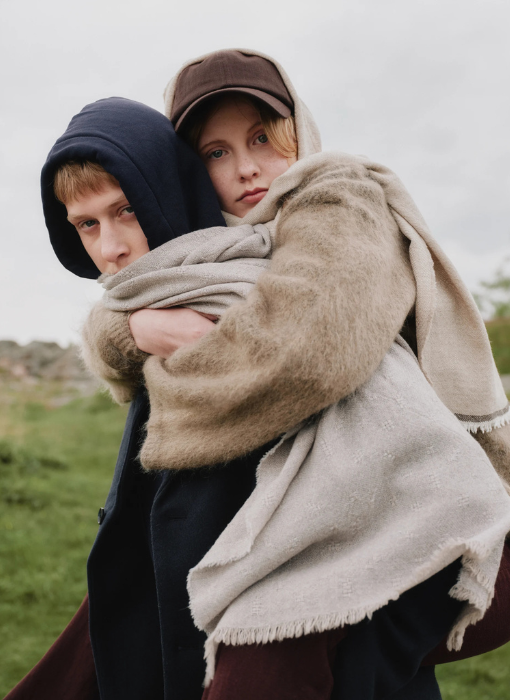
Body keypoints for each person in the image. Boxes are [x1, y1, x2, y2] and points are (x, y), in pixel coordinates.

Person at [75, 51, 510, 700]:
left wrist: (164, 355)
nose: (247, 167)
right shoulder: (218, 248)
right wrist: (130, 327)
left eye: (262, 138)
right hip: (312, 524)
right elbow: (127, 301)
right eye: (216, 153)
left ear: (297, 131)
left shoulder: (339, 196)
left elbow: (304, 352)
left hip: (406, 514)